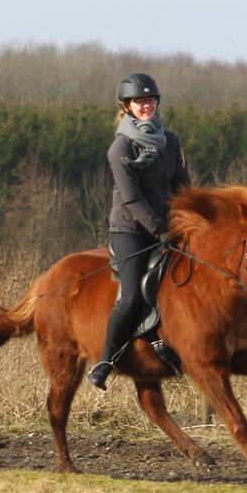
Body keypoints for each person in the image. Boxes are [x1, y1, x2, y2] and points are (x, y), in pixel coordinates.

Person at [86, 73, 191, 390]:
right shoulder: (120, 148)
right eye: (139, 101)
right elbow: (132, 199)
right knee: (132, 297)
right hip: (131, 230)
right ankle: (105, 360)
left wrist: (190, 220)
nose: (146, 105)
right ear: (127, 106)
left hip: (168, 227)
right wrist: (160, 229)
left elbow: (181, 186)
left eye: (150, 100)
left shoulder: (170, 141)